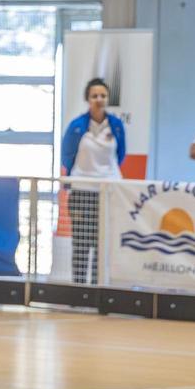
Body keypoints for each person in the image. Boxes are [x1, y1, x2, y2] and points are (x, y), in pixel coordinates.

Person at [61, 78, 125, 285]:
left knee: (102, 244)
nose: (99, 99)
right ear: (88, 99)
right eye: (94, 96)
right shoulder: (77, 126)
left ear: (108, 99)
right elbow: (67, 155)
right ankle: (79, 288)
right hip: (82, 191)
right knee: (81, 243)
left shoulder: (116, 126)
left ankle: (98, 288)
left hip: (106, 193)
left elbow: (121, 154)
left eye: (103, 96)